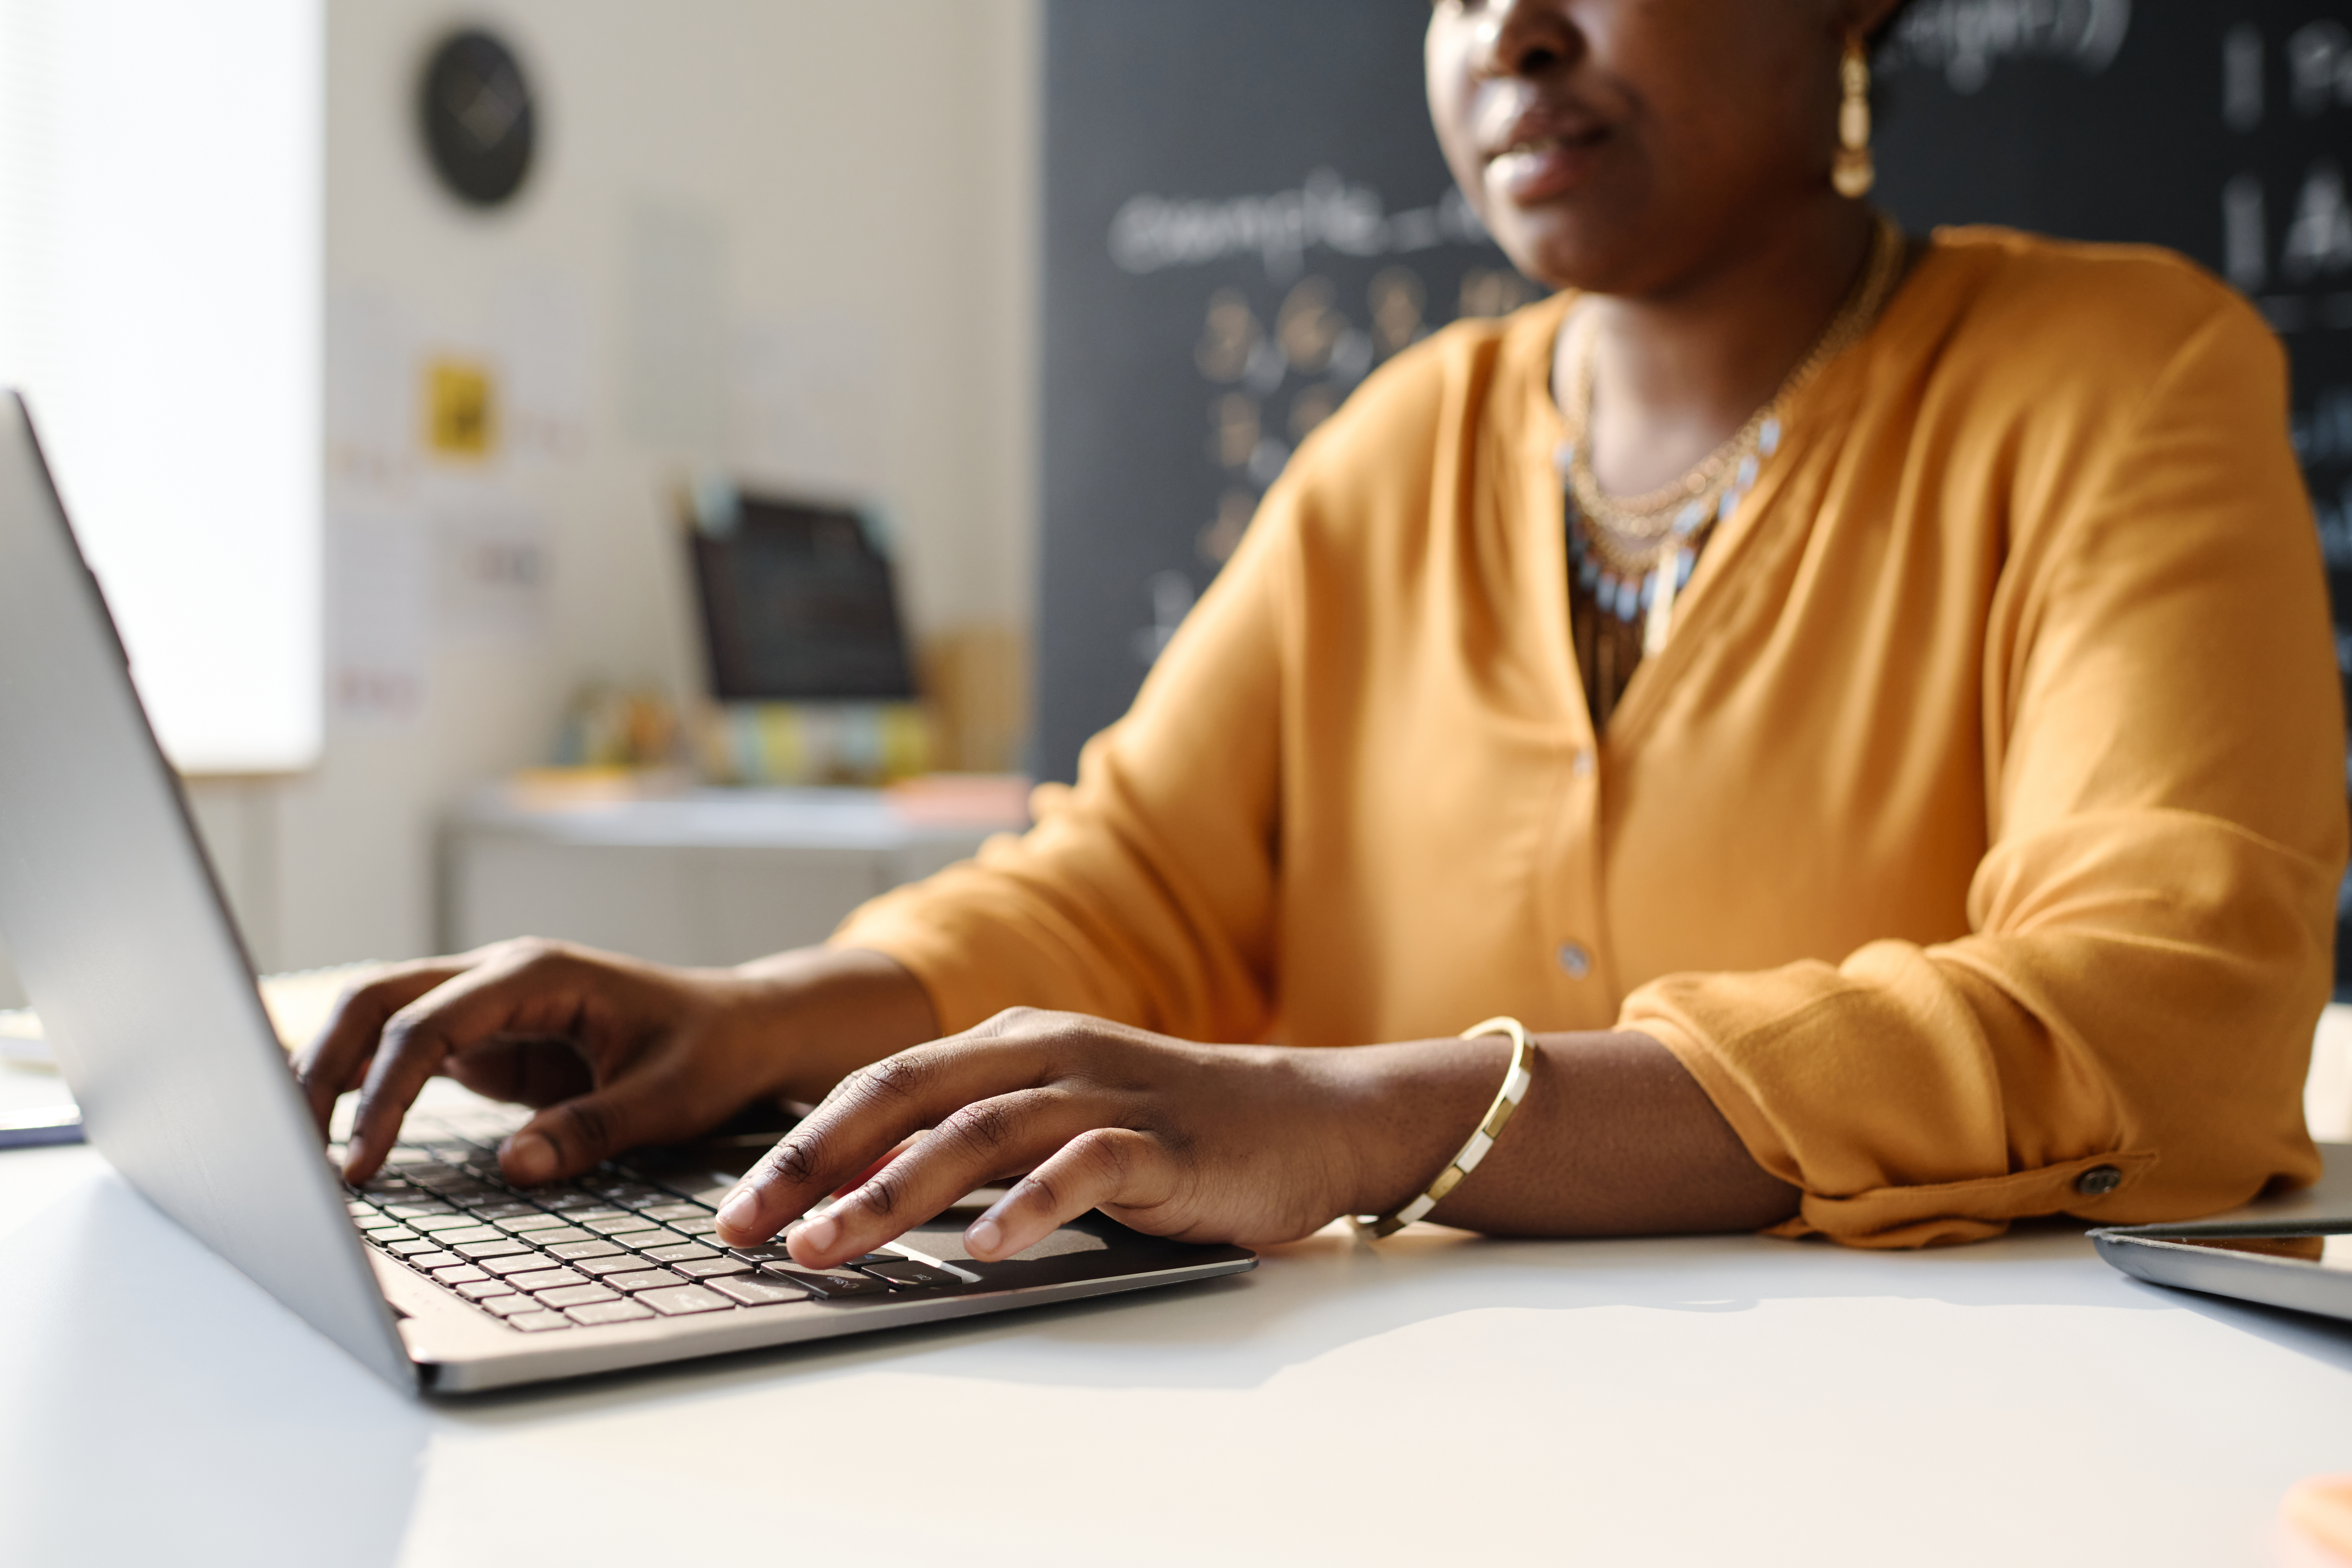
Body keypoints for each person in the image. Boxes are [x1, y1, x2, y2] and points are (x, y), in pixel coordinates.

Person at [300, 0, 2345, 1273]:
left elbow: (2156, 1020)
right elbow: (1134, 880)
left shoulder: (2122, 375)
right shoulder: (1402, 445)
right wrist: (759, 1015)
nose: (1510, 32)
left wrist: (1371, 1116)